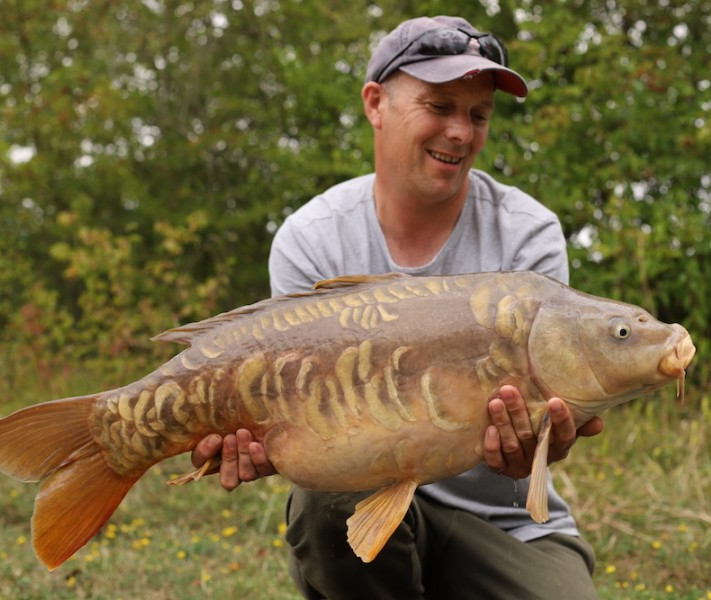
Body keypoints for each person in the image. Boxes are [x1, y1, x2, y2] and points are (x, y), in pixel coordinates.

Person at [192, 15, 604, 599]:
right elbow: (295, 431)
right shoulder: (312, 239)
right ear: (375, 102)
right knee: (324, 504)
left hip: (507, 525)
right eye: (439, 106)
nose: (461, 132)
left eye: (478, 114)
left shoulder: (527, 235)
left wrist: (541, 442)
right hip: (361, 514)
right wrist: (264, 444)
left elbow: (546, 419)